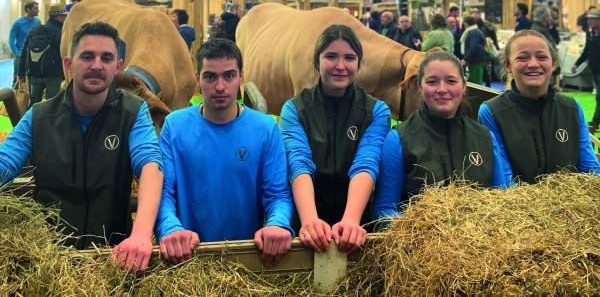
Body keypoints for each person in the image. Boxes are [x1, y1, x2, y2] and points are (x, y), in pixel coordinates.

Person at [0, 21, 163, 272]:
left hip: (115, 256)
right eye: (87, 56)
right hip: (49, 257)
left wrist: (141, 235)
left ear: (117, 67)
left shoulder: (132, 112)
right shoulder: (40, 115)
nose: (96, 65)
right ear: (69, 64)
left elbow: (151, 164)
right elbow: (5, 162)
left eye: (106, 58)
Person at [155, 38, 294, 266]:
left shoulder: (266, 129)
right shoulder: (175, 126)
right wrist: (170, 228)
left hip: (250, 260)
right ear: (197, 79)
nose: (220, 86)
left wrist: (277, 223)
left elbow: (278, 194)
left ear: (241, 76)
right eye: (210, 77)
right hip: (188, 257)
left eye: (228, 76)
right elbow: (163, 192)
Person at [280, 25, 390, 254]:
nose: (340, 66)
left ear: (359, 64)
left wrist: (351, 221)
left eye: (349, 58)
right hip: (305, 228)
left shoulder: (376, 111)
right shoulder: (294, 109)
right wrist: (310, 221)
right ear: (316, 61)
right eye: (331, 56)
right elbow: (298, 163)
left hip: (355, 230)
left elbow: (366, 163)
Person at [372, 51, 510, 220]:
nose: (442, 89)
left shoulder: (485, 138)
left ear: (464, 86)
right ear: (421, 88)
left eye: (451, 81)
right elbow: (383, 210)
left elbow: (502, 201)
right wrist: (421, 228)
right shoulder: (399, 139)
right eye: (432, 82)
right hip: (422, 242)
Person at [479, 30, 600, 185]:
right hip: (518, 206)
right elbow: (504, 180)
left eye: (542, 57)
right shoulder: (492, 112)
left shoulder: (572, 108)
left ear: (553, 63)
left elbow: (590, 169)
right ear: (507, 65)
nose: (533, 64)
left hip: (571, 205)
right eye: (522, 58)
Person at [17, 3, 69, 106]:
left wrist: (21, 72)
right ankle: (49, 122)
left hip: (34, 72)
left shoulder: (34, 29)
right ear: (59, 17)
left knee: (34, 103)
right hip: (53, 74)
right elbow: (65, 53)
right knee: (52, 104)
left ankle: (32, 121)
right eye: (65, 16)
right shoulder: (61, 33)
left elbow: (24, 52)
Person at [572, 10, 600, 132]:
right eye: (588, 19)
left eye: (591, 19)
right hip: (595, 70)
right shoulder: (590, 34)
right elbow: (586, 51)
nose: (588, 21)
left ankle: (595, 121)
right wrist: (576, 64)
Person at [9, 1, 41, 87]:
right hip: (20, 54)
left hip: (33, 54)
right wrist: (16, 54)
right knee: (18, 77)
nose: (38, 10)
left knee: (32, 77)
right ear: (28, 9)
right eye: (36, 8)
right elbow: (11, 39)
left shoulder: (38, 22)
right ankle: (14, 96)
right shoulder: (18, 23)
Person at [460, 16, 489, 85]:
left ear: (466, 23)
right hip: (476, 60)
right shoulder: (476, 31)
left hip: (477, 60)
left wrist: (465, 58)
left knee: (476, 83)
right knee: (473, 81)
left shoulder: (473, 33)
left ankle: (479, 96)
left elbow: (474, 47)